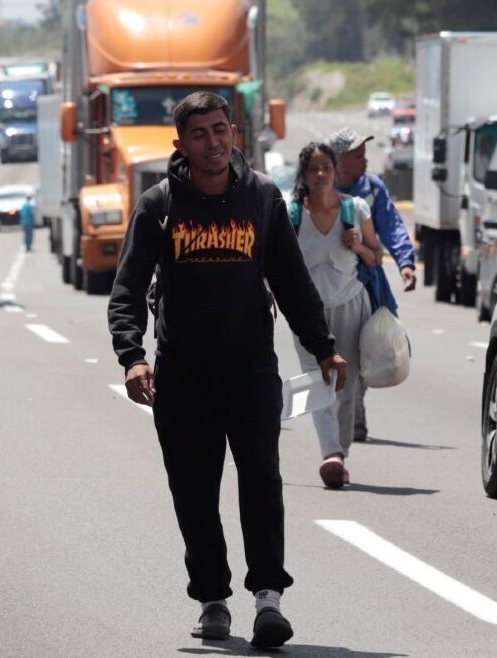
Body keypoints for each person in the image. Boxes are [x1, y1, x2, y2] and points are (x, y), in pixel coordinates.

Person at [107, 91, 348, 650]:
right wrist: (133, 356)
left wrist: (323, 345)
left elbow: (291, 280)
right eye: (199, 134)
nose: (213, 143)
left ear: (234, 133)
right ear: (181, 144)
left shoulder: (261, 197)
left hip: (250, 371)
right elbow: (126, 289)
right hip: (183, 376)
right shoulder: (159, 205)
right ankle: (212, 598)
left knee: (262, 482)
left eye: (220, 130)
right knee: (194, 491)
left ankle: (268, 599)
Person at [289, 142, 383, 489]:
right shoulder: (292, 215)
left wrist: (358, 245)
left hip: (350, 307)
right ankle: (331, 455)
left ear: (335, 171)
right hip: (306, 314)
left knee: (347, 382)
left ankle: (339, 453)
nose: (320, 174)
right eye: (313, 168)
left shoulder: (355, 209)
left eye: (326, 167)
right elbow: (275, 263)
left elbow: (376, 257)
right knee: (317, 381)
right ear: (304, 174)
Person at [329, 127, 417, 442]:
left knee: (363, 345)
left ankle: (354, 412)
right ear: (338, 160)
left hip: (367, 283)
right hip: (327, 285)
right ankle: (338, 412)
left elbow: (393, 227)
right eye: (357, 156)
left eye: (365, 155)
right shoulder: (317, 188)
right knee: (333, 351)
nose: (365, 162)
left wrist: (406, 263)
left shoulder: (373, 189)